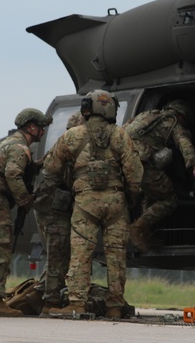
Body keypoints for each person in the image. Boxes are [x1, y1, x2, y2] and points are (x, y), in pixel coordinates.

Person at [46, 91, 142, 319]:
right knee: (116, 257)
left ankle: (77, 304)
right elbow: (135, 175)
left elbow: (51, 167)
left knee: (81, 255)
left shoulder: (74, 136)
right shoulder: (120, 135)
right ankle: (115, 307)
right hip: (116, 204)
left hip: (85, 204)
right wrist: (129, 198)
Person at [0, 108, 50, 318]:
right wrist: (26, 201)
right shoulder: (19, 147)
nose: (43, 131)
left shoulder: (8, 143)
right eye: (41, 127)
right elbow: (13, 174)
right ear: (31, 127)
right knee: (2, 249)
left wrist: (40, 164)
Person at [125, 100, 195, 252]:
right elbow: (184, 142)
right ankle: (137, 228)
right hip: (141, 164)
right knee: (169, 199)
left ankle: (146, 234)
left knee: (150, 196)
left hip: (124, 161)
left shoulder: (146, 114)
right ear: (181, 116)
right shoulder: (172, 122)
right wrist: (193, 163)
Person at [33, 110, 85, 315]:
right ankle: (49, 302)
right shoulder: (69, 148)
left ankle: (39, 294)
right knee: (58, 254)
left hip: (50, 207)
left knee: (58, 254)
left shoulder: (62, 145)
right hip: (53, 208)